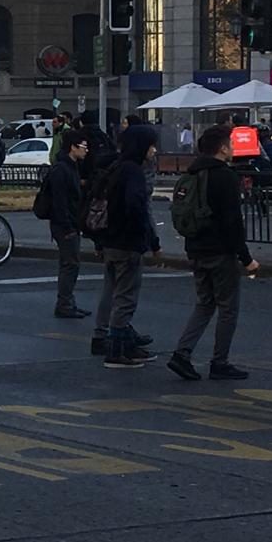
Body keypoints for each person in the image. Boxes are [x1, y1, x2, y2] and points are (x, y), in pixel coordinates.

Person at [166, 126, 259, 381]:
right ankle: (220, 361)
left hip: (195, 247)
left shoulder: (192, 173)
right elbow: (232, 222)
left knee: (205, 303)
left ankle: (182, 353)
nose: (232, 147)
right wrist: (246, 258)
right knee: (228, 307)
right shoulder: (225, 177)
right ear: (221, 148)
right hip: (220, 251)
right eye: (229, 143)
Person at [95, 125, 161, 369]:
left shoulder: (116, 167)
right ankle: (117, 349)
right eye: (151, 145)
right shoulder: (133, 172)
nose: (154, 150)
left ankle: (121, 344)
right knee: (125, 298)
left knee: (114, 291)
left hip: (110, 239)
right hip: (127, 242)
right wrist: (149, 240)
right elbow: (137, 207)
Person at [46, 130, 89, 319]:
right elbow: (60, 201)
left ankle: (68, 302)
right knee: (70, 264)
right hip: (64, 225)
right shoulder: (62, 169)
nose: (86, 151)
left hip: (70, 222)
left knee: (70, 263)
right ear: (73, 147)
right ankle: (64, 304)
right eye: (83, 147)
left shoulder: (71, 166)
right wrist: (67, 226)